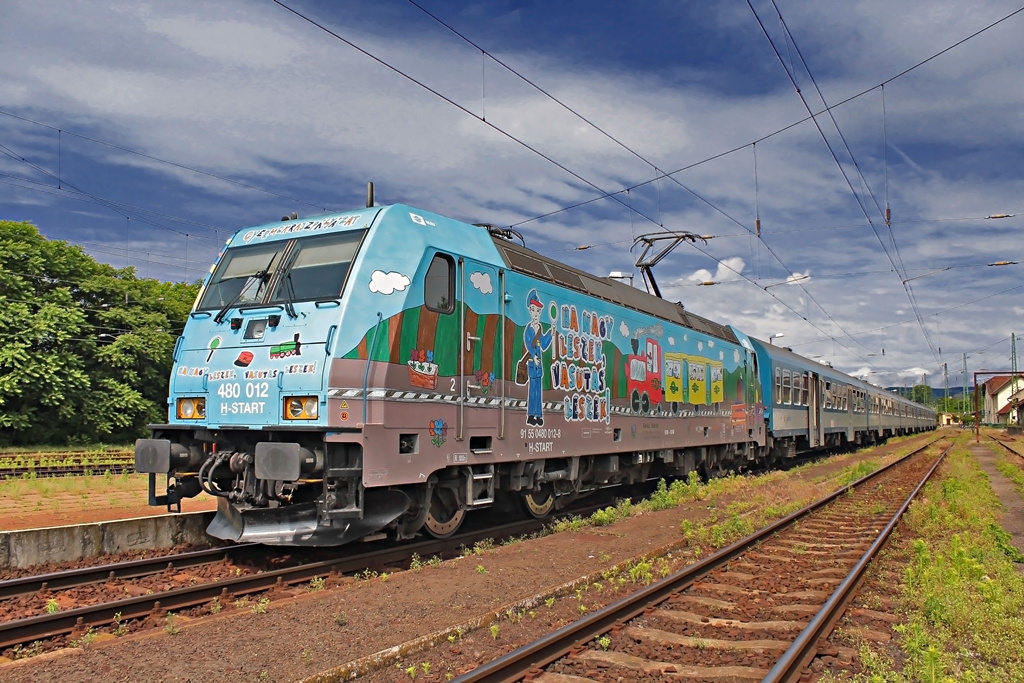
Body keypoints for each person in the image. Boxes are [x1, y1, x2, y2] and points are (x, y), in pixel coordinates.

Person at [523, 289, 552, 426]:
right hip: (532, 364)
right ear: (530, 311)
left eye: (538, 311)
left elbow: (544, 345)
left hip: (538, 366)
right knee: (532, 391)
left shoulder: (539, 328)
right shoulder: (529, 329)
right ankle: (530, 415)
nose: (535, 313)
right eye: (533, 310)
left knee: (538, 392)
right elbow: (529, 344)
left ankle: (538, 416)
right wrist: (534, 356)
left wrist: (550, 333)